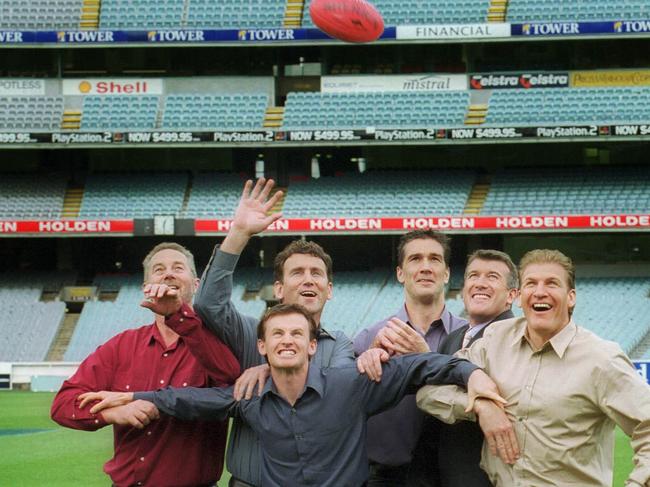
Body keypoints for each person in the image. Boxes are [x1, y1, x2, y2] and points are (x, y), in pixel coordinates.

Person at [80, 303, 505, 487]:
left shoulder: (353, 385)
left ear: (312, 345)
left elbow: (426, 365)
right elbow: (191, 400)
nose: (287, 341)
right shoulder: (250, 396)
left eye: (296, 334)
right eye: (277, 334)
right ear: (262, 347)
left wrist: (477, 381)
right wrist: (138, 396)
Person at [417, 249, 650, 486]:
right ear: (519, 296)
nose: (540, 292)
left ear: (571, 297)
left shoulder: (601, 359)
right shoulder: (495, 340)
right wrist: (480, 405)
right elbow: (429, 391)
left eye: (551, 283)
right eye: (531, 283)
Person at [192, 178, 355, 487]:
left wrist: (271, 366)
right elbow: (208, 304)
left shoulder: (340, 345)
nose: (308, 280)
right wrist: (238, 234)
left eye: (316, 274)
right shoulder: (250, 334)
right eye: (297, 273)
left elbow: (334, 393)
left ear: (329, 289)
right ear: (279, 288)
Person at [51, 243, 240, 487]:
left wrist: (179, 316)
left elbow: (233, 384)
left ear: (196, 285)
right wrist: (112, 413)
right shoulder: (121, 346)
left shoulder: (214, 343)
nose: (168, 273)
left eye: (178, 267)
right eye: (159, 269)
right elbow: (63, 404)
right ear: (145, 288)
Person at [353, 230, 466, 486]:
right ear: (400, 273)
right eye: (415, 259)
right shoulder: (368, 339)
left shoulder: (470, 338)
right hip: (383, 477)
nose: (425, 267)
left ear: (446, 273)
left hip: (449, 476)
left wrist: (425, 358)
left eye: (434, 259)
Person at [435, 249, 519, 487]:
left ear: (511, 294)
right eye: (473, 276)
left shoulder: (517, 338)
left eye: (492, 277)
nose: (480, 283)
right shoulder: (452, 339)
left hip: (495, 475)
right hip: (449, 472)